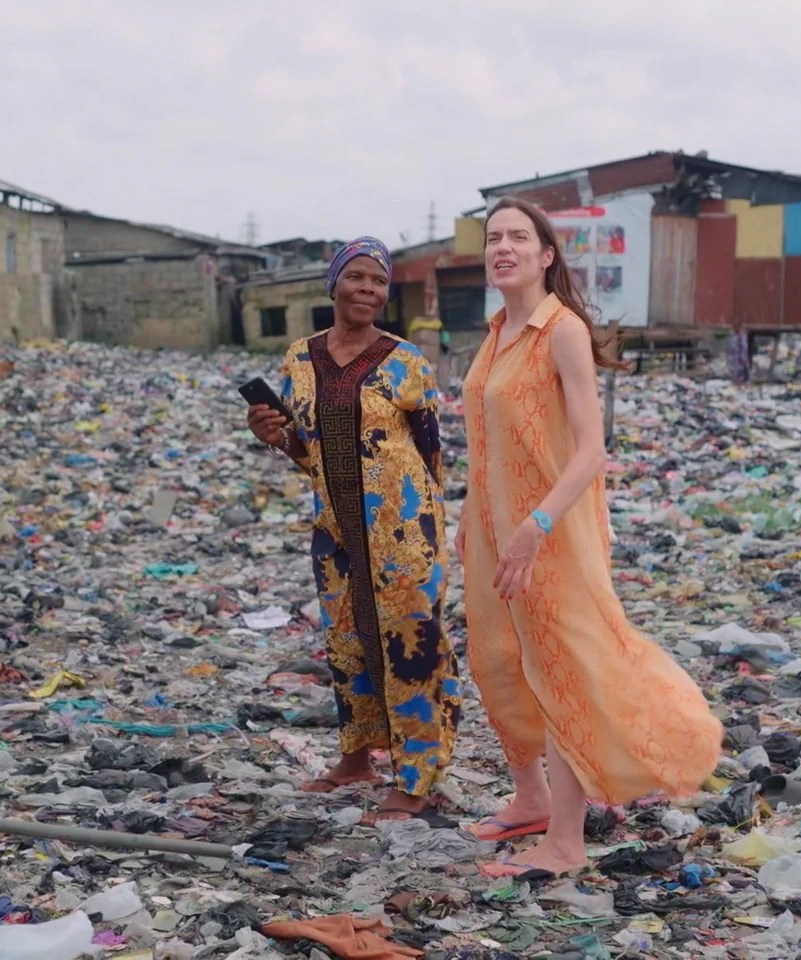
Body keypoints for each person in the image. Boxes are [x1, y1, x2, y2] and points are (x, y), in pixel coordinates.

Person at [456, 197, 723, 877]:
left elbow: (589, 450)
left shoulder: (562, 331)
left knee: (561, 668)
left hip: (550, 533)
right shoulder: (494, 334)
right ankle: (530, 797)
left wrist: (536, 525)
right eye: (494, 238)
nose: (504, 247)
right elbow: (484, 444)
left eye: (519, 237)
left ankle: (566, 843)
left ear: (547, 256)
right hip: (492, 535)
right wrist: (470, 524)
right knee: (496, 657)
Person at [246, 237, 461, 823]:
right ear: (334, 284)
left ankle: (416, 778)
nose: (368, 289)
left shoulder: (405, 360)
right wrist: (273, 434)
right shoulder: (300, 359)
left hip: (402, 531)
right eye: (357, 277)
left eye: (378, 281)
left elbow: (432, 452)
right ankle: (357, 758)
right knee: (347, 641)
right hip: (337, 529)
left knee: (411, 644)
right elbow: (305, 449)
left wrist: (422, 521)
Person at [728, 317, 750, 386]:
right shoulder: (734, 335)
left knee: (739, 374)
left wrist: (743, 359)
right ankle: (736, 383)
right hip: (734, 358)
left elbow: (743, 348)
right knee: (734, 373)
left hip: (739, 359)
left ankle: (740, 384)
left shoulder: (741, 336)